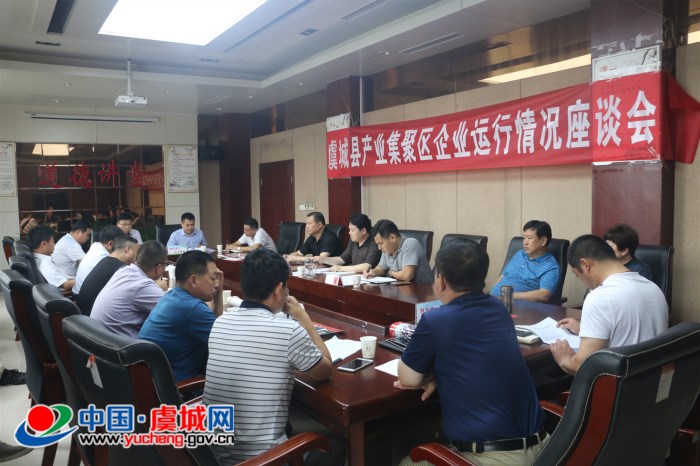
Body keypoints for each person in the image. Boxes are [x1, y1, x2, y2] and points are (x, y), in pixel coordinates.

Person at [397, 239, 547, 466]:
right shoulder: (499, 310)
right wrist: (443, 372)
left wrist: (434, 374)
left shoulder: (436, 320)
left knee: (408, 462)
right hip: (546, 449)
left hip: (494, 458)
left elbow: (408, 378)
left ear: (442, 280)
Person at [203, 249, 342, 464]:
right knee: (335, 447)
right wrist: (303, 317)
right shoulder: (288, 330)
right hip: (262, 459)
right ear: (279, 289)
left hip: (213, 454)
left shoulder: (220, 323)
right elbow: (324, 370)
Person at [550, 234, 668, 375]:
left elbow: (582, 367)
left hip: (618, 383)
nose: (581, 280)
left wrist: (564, 358)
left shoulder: (599, 297)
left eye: (577, 274)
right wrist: (585, 329)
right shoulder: (653, 287)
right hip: (649, 380)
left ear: (586, 265)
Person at [139, 250, 223, 382]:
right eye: (213, 279)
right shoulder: (192, 308)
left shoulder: (172, 296)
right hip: (176, 387)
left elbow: (215, 325)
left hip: (151, 382)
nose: (216, 284)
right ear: (194, 280)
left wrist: (218, 291)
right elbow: (226, 341)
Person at [90, 241, 168, 337]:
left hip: (100, 338)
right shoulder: (141, 285)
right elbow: (172, 309)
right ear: (159, 268)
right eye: (166, 264)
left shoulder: (123, 271)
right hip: (118, 344)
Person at [489, 220, 559, 303]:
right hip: (492, 302)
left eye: (529, 238)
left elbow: (544, 295)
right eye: (524, 238)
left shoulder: (550, 266)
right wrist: (490, 294)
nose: (525, 242)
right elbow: (502, 277)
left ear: (543, 241)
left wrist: (508, 296)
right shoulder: (520, 254)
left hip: (514, 306)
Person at [76, 236, 139, 315]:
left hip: (83, 315)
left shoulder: (104, 261)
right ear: (127, 250)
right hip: (93, 317)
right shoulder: (122, 269)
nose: (137, 257)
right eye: (137, 252)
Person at [364, 219, 433, 283]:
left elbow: (407, 276)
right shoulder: (387, 249)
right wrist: (373, 272)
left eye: (381, 243)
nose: (379, 248)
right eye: (378, 244)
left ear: (392, 237)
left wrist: (391, 273)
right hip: (402, 288)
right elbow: (382, 267)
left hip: (423, 289)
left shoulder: (410, 244)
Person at [313, 213, 381, 273]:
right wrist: (322, 259)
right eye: (349, 229)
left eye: (352, 230)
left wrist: (341, 268)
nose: (349, 233)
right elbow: (341, 260)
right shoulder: (353, 240)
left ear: (363, 231)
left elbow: (366, 266)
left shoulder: (375, 243)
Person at [73, 225, 122, 294]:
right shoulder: (103, 257)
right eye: (120, 245)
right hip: (84, 296)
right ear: (110, 244)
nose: (121, 248)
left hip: (79, 293)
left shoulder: (95, 246)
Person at [29, 226, 75, 291]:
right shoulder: (45, 265)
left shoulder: (38, 259)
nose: (54, 245)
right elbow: (66, 285)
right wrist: (83, 280)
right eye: (53, 242)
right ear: (44, 244)